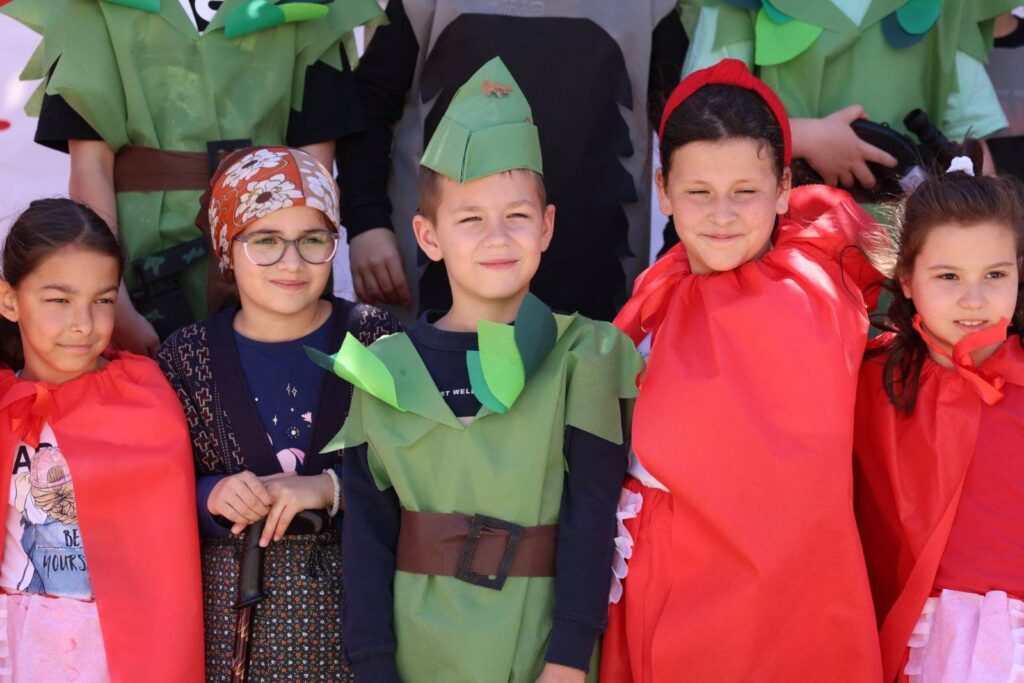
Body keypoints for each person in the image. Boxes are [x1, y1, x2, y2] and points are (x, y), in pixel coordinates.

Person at [314, 58, 643, 682]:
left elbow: (592, 514)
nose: (497, 237)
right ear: (428, 236)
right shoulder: (383, 369)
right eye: (469, 219)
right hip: (418, 652)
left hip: (542, 652)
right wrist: (373, 667)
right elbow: (367, 540)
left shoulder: (586, 355)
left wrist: (569, 659)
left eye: (517, 215)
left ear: (546, 227)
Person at [602, 59, 884, 681]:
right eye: (698, 192)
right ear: (663, 190)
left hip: (783, 607)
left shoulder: (817, 284)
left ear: (783, 187)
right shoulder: (655, 297)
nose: (722, 214)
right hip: (664, 592)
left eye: (746, 192)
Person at [1, 0, 384, 350]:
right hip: (141, 260)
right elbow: (91, 166)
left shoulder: (310, 5)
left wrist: (300, 277)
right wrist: (116, 305)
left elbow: (313, 172)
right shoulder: (90, 7)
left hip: (274, 254)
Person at [157, 146, 400, 682]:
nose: (292, 263)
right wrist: (210, 495)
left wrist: (332, 488)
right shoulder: (186, 357)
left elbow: (424, 471)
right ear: (227, 249)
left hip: (362, 630)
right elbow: (153, 491)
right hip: (233, 636)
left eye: (313, 240)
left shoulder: (375, 339)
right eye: (265, 240)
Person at [337, 0, 686, 320]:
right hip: (435, 285)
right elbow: (371, 104)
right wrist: (368, 222)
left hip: (598, 285)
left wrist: (678, 253)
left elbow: (686, 130)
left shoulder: (651, 6)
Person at [0, 198, 203, 681]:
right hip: (14, 642)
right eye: (59, 300)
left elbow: (165, 564)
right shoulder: (5, 404)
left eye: (103, 300)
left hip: (114, 651)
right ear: (9, 300)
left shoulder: (143, 399)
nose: (83, 324)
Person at [854, 151, 1024, 682]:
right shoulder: (868, 382)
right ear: (906, 278)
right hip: (924, 643)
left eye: (995, 274)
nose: (974, 299)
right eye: (948, 275)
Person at [679, 0, 1014, 187]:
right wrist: (803, 137)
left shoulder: (947, 5)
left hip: (907, 252)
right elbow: (697, 120)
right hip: (774, 249)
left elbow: (969, 145)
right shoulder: (734, 6)